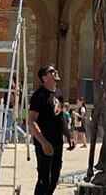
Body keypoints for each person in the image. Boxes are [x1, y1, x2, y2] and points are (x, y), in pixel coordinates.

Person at [28, 64, 75, 195]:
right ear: (44, 77)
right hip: (44, 143)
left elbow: (61, 117)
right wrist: (43, 142)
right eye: (51, 71)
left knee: (54, 178)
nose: (56, 72)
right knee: (44, 180)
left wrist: (69, 136)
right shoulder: (39, 95)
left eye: (55, 70)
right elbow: (32, 121)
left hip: (57, 142)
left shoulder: (59, 94)